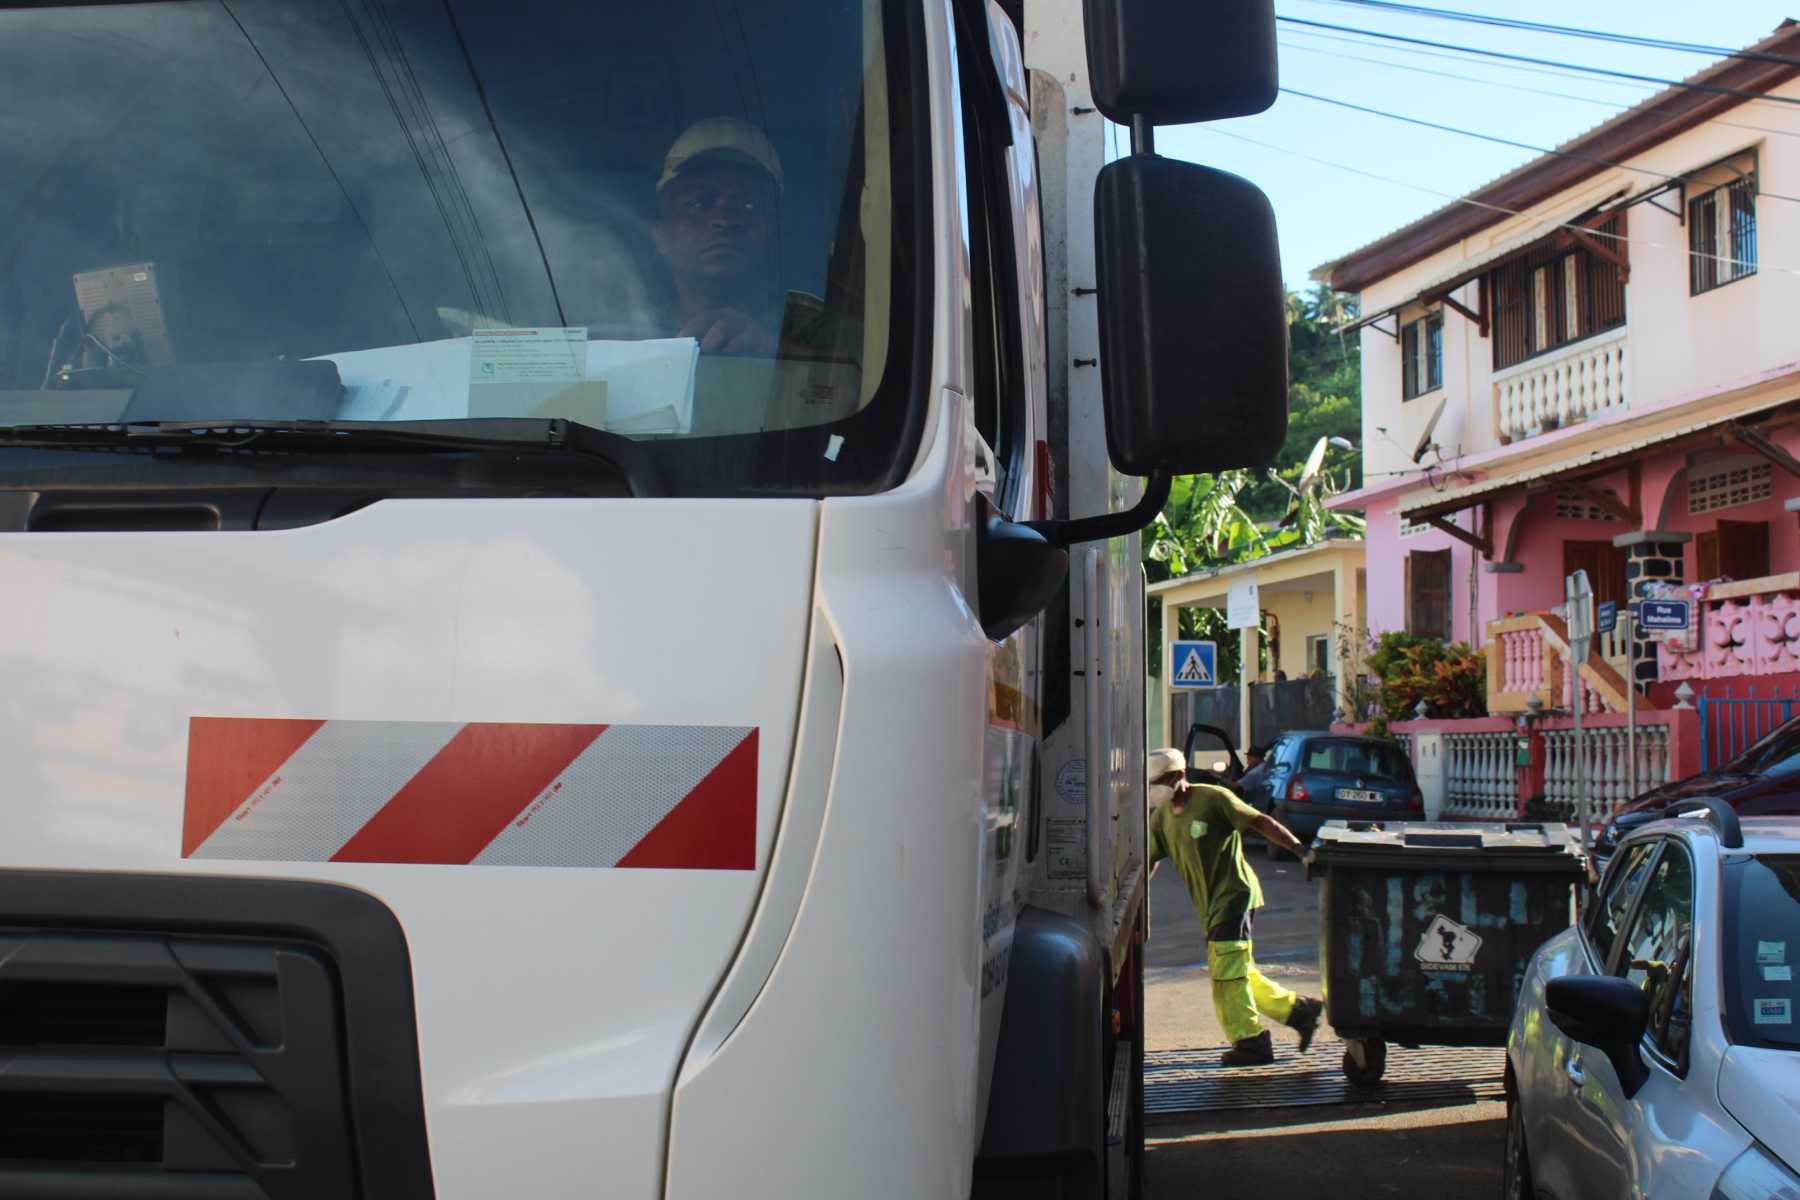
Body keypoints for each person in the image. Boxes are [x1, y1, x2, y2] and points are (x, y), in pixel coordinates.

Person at [1147, 747, 1324, 1066]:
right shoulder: (1160, 818)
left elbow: (1261, 822)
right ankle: (1299, 1011)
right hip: (1210, 906)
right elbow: (1149, 859)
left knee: (1226, 975)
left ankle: (1251, 1041)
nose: (1155, 789)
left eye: (1159, 781)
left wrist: (1300, 851)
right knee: (1238, 970)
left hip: (1235, 896)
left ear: (1177, 776)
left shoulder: (1213, 799)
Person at [652, 117, 818, 357]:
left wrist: (779, 358)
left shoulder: (827, 334)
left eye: (750, 205)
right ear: (660, 235)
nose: (725, 220)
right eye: (697, 203)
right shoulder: (626, 328)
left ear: (776, 232)